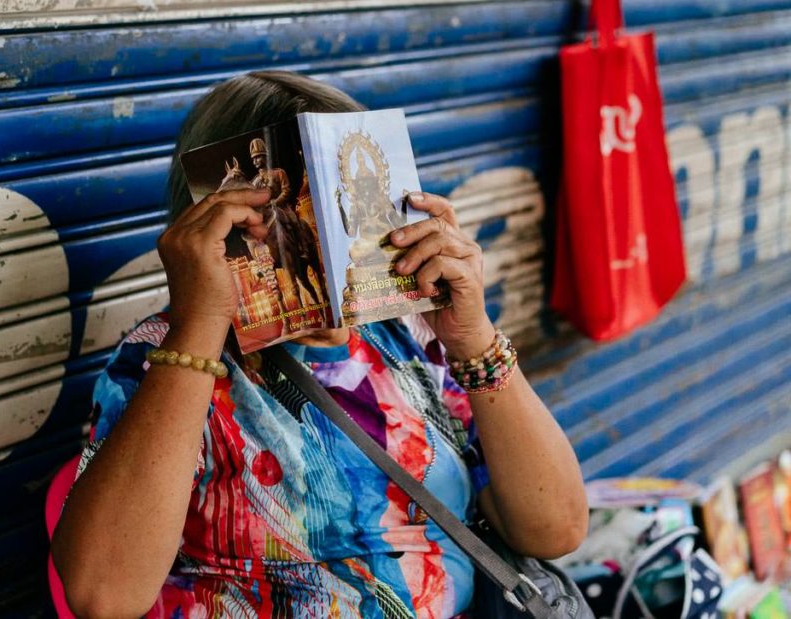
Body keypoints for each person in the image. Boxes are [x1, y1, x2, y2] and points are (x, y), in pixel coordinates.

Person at [51, 71, 588, 619]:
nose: (323, 245)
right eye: (286, 216)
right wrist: (201, 324)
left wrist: (474, 338)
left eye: (346, 210)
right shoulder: (166, 355)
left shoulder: (414, 337)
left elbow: (555, 528)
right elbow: (104, 596)